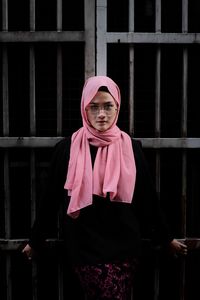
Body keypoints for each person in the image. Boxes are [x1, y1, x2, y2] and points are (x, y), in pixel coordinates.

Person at [22, 75, 187, 300]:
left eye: (108, 106)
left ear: (117, 107)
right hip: (85, 248)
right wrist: (35, 240)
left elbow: (147, 199)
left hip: (124, 248)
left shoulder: (131, 147)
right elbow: (49, 199)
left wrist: (166, 238)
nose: (101, 114)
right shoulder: (67, 149)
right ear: (84, 108)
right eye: (94, 107)